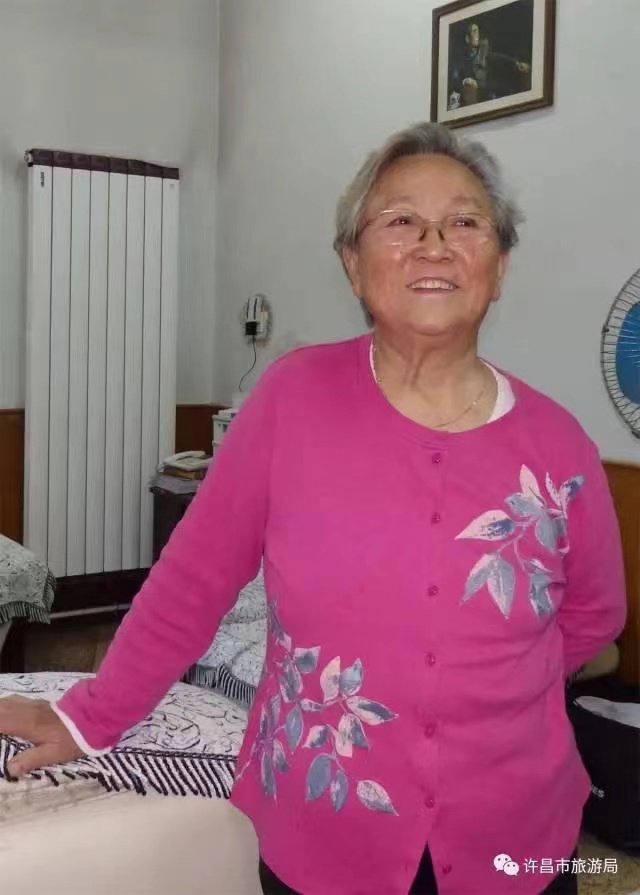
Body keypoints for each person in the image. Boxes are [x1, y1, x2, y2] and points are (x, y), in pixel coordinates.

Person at [0, 122, 626, 895]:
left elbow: (592, 617)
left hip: (518, 838)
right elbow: (191, 583)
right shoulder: (292, 399)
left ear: (498, 266)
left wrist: (485, 690)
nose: (433, 244)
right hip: (319, 827)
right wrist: (89, 715)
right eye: (401, 220)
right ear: (353, 264)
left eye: (465, 221)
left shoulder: (559, 446)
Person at [449, 21, 531, 107]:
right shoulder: (461, 60)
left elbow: (497, 57)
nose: (478, 35)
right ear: (467, 38)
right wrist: (466, 81)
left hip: (490, 90)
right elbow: (455, 80)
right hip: (475, 94)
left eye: (478, 31)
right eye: (474, 31)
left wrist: (516, 63)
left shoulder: (483, 52)